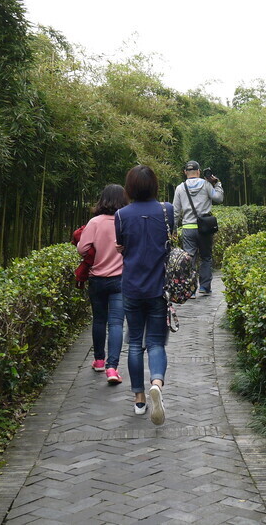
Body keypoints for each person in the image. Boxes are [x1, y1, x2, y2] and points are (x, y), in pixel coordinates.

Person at [114, 165, 173, 424]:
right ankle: (157, 384)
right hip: (159, 287)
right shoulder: (167, 210)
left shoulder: (121, 214)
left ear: (130, 187)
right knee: (157, 342)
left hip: (132, 287)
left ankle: (139, 400)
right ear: (154, 185)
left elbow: (122, 246)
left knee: (135, 342)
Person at [77, 184, 127, 384]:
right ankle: (112, 368)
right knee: (116, 323)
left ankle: (98, 360)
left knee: (99, 320)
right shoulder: (125, 222)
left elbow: (82, 249)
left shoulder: (94, 222)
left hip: (97, 278)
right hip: (120, 280)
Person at [172, 160, 224, 296]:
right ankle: (205, 287)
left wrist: (173, 230)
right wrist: (217, 184)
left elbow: (175, 212)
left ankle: (191, 289)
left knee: (189, 258)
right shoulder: (206, 185)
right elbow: (218, 198)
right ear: (199, 172)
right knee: (206, 257)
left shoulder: (180, 188)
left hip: (188, 227)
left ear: (185, 172)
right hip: (205, 229)